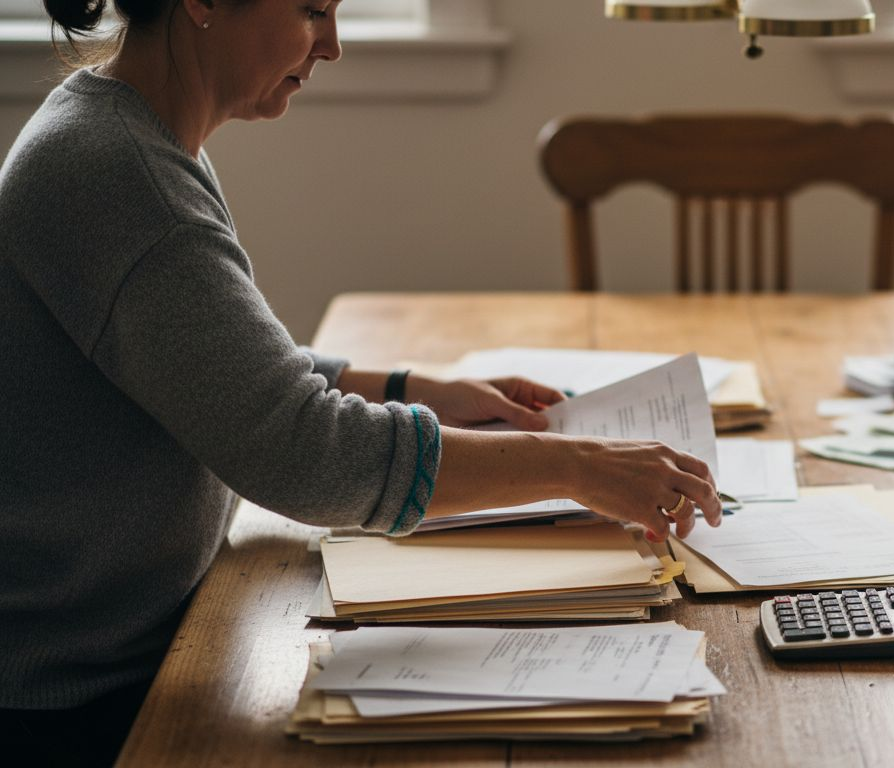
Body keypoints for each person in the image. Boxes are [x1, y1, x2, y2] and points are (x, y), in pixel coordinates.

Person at [0, 0, 723, 764]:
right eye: (313, 9)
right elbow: (303, 452)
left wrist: (416, 387)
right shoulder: (120, 175)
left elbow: (222, 372)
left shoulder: (128, 138)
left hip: (147, 641)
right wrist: (575, 467)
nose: (334, 45)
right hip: (78, 703)